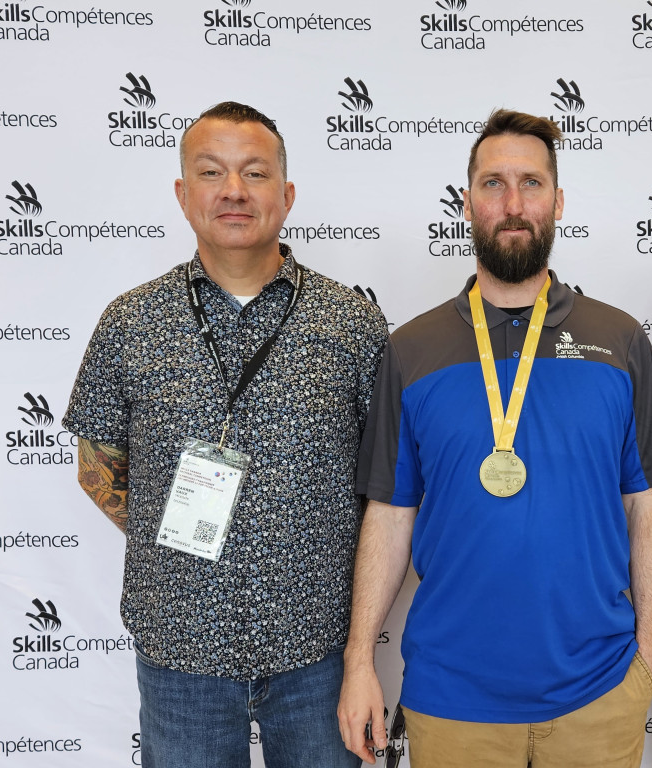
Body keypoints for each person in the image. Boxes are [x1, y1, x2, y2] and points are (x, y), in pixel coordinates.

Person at [337, 109, 652, 768]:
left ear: (557, 202)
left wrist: (649, 648)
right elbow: (389, 513)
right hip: (451, 698)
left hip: (598, 692)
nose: (513, 203)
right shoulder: (411, 351)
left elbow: (647, 505)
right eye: (494, 183)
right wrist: (360, 660)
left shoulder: (618, 342)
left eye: (530, 183)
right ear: (467, 201)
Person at [63, 101, 388, 768]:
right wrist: (183, 531)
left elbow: (387, 483)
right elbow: (97, 465)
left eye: (255, 173)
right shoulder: (130, 321)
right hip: (179, 653)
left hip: (319, 652)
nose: (234, 191)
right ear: (184, 195)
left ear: (287, 195)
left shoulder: (353, 324)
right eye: (212, 172)